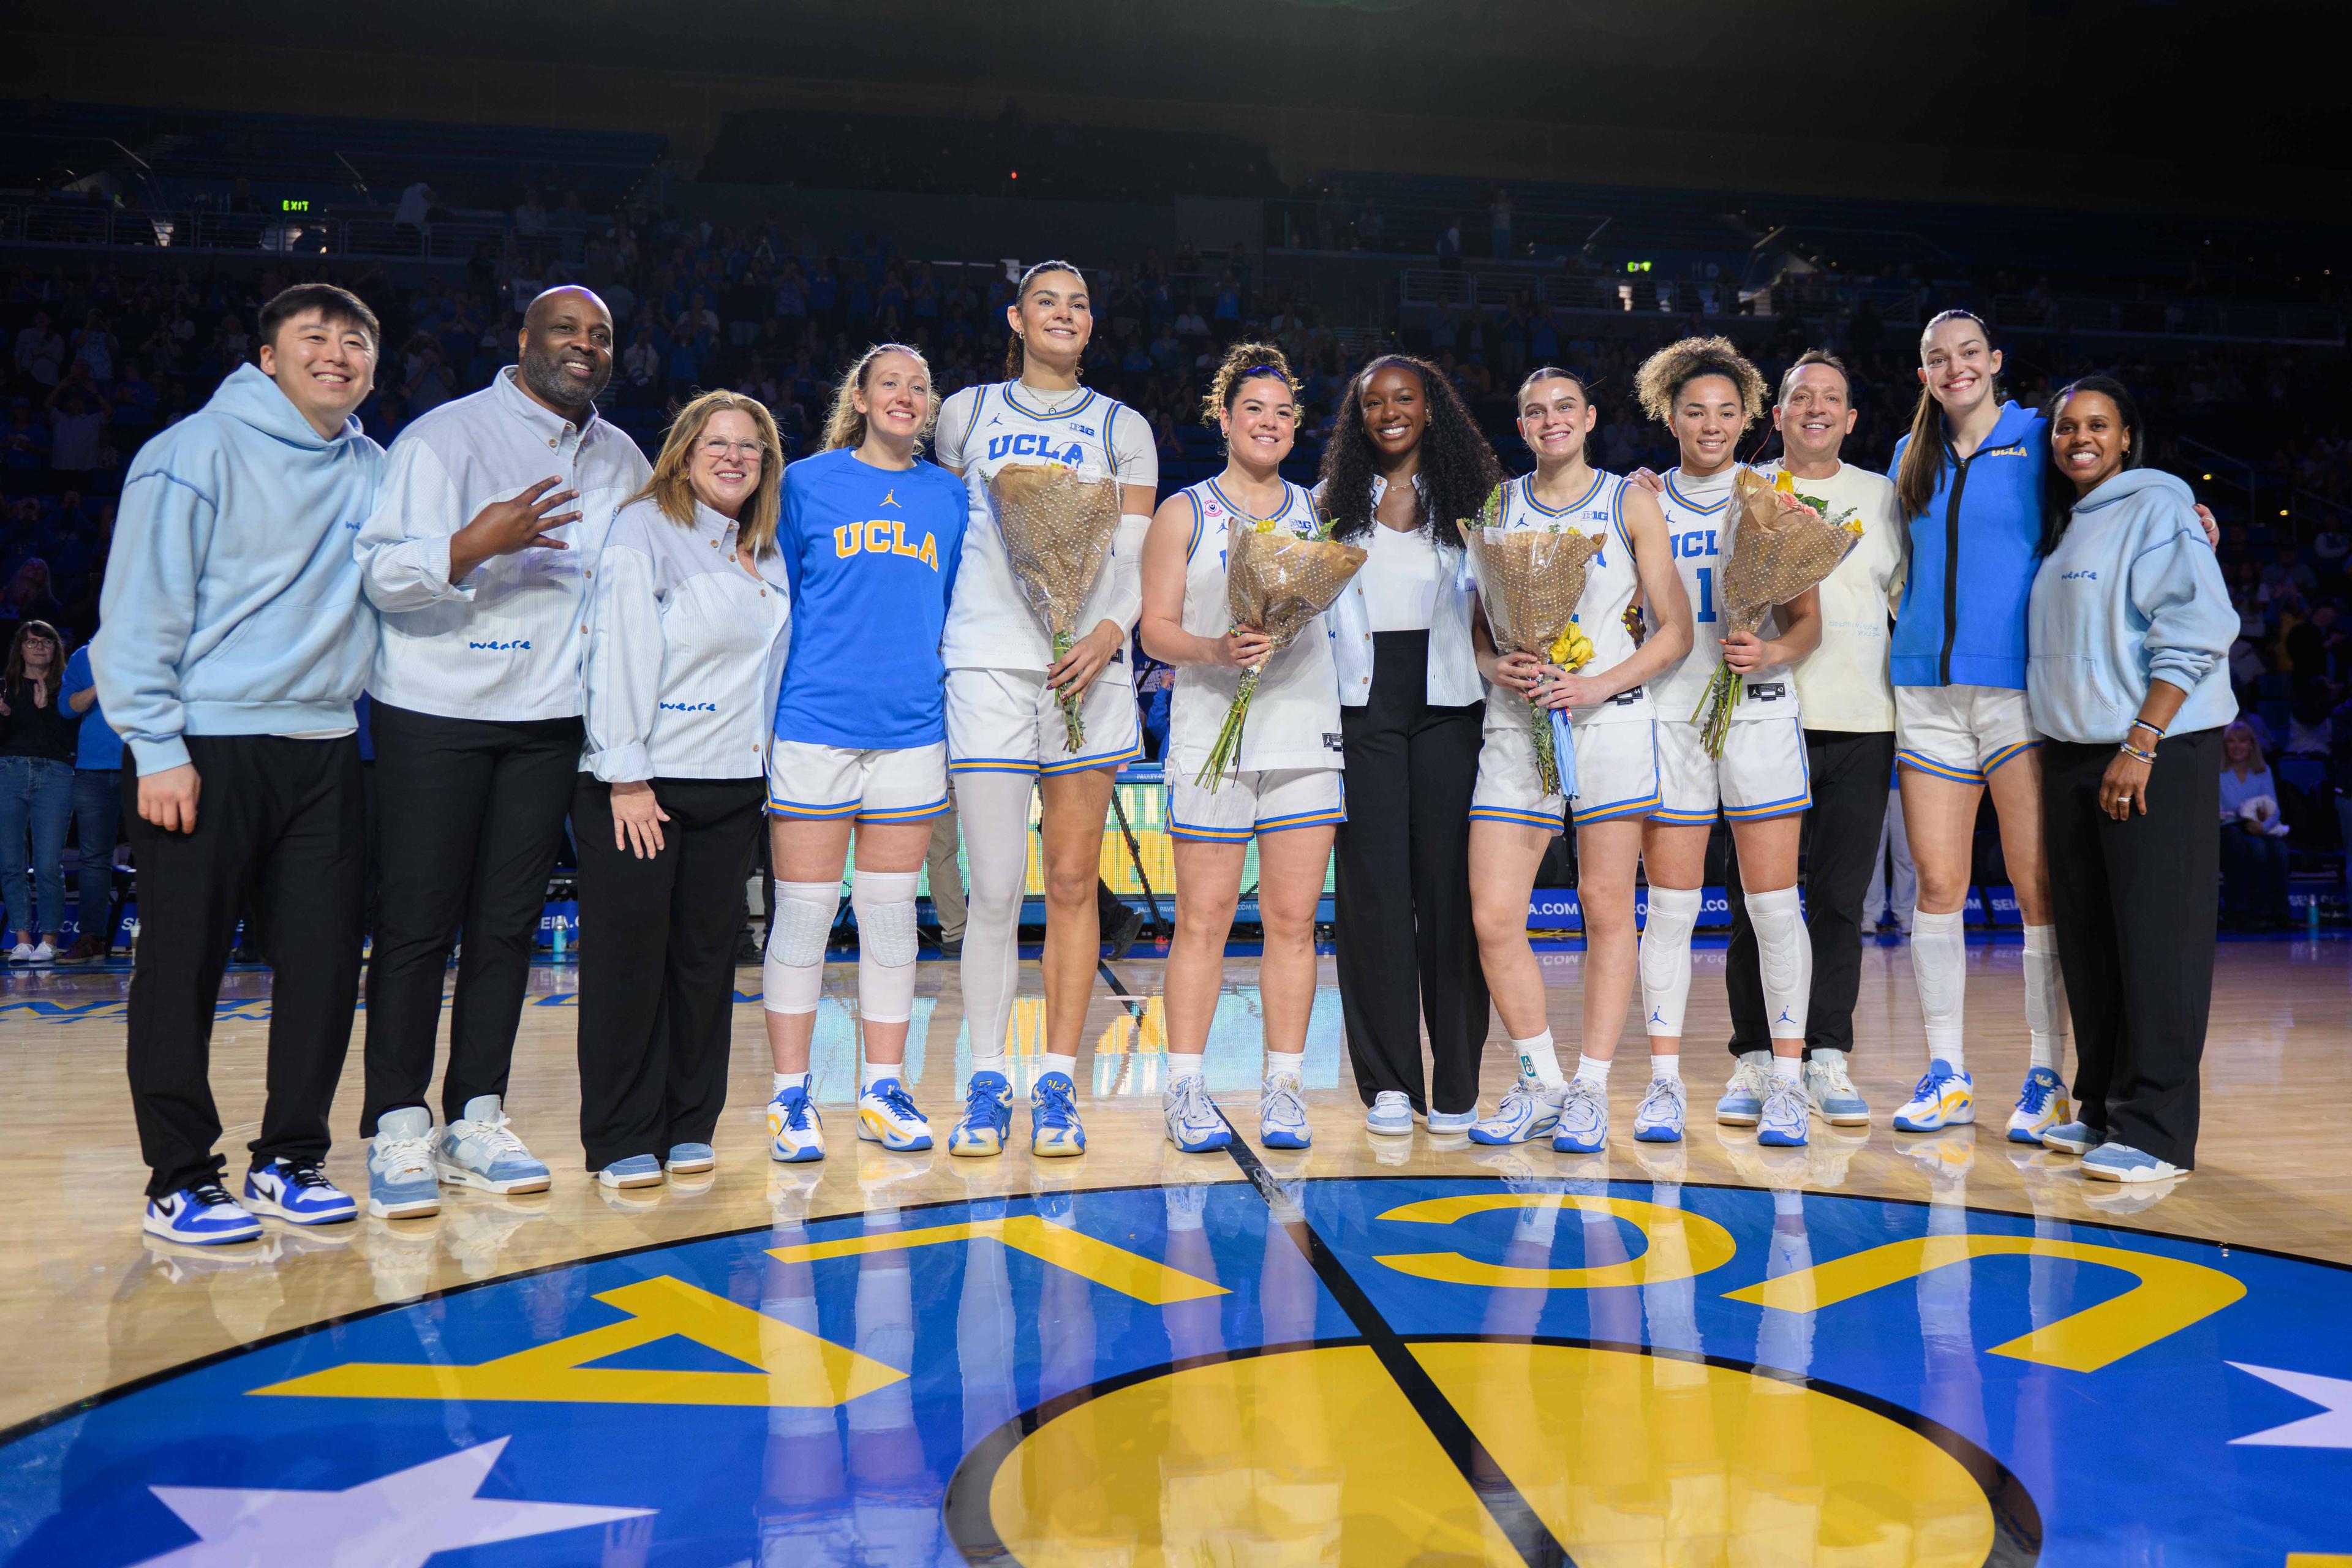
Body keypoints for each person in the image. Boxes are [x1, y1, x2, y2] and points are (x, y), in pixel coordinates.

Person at [92, 282, 385, 1244]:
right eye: (316, 338)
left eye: (356, 342)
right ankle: (179, 1178)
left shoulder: (376, 468)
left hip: (328, 746)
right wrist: (158, 747)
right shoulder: (190, 452)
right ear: (269, 356)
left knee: (322, 968)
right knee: (182, 971)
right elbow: (136, 613)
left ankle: (291, 1160)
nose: (338, 354)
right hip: (205, 747)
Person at [353, 285, 650, 1219]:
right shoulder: (444, 438)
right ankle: (399, 1126)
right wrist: (469, 545)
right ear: (522, 340)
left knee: (506, 930)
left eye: (600, 336)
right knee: (415, 926)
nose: (584, 347)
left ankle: (474, 1116)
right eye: (565, 329)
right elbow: (379, 574)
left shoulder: (622, 456)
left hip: (549, 720)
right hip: (435, 710)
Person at [930, 262, 1156, 1160]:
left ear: (1091, 326)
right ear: (1016, 320)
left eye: (1079, 306)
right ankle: (989, 1077)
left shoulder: (1122, 426)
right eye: (1047, 304)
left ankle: (1057, 1079)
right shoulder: (966, 413)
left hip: (1087, 668)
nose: (1064, 316)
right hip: (987, 661)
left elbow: (1135, 557)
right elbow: (947, 535)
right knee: (991, 889)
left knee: (1070, 884)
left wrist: (1107, 635)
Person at [1461, 368, 1692, 1152]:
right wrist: (1501, 669)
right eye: (1535, 411)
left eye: (1565, 407)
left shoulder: (1629, 501)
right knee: (1494, 914)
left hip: (1609, 721)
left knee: (1604, 907)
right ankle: (1541, 1083)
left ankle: (1592, 1088)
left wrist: (1594, 685)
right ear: (1522, 427)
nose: (1551, 420)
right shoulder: (1497, 506)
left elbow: (1674, 631)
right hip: (1518, 723)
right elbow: (1480, 636)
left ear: (1590, 418)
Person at [576, 391, 791, 1189]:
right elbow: (618, 653)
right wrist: (626, 774)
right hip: (646, 786)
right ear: (684, 453)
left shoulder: (766, 547)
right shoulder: (645, 530)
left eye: (751, 447)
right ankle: (622, 1136)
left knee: (706, 963)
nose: (734, 457)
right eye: (718, 443)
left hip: (734, 785)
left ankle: (689, 1122)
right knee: (630, 965)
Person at [2026, 375, 2236, 1183]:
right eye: (2066, 427)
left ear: (2125, 438)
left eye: (2098, 425)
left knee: (2158, 945)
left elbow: (2197, 624)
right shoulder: (2067, 525)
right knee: (2096, 946)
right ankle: (2107, 1109)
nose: (2079, 437)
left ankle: (2157, 1132)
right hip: (2076, 753)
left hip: (2154, 749)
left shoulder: (2158, 507)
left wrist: (2143, 739)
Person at [762, 345, 965, 1161]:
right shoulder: (806, 484)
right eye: (891, 383)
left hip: (911, 731)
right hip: (813, 723)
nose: (906, 396)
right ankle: (788, 1096)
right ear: (861, 396)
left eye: (920, 386)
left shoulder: (951, 496)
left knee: (889, 920)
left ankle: (884, 1086)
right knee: (805, 916)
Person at [1138, 342, 1341, 1155]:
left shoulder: (1321, 512)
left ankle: (1284, 1085)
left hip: (1303, 735)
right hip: (1211, 736)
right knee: (1206, 919)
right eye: (1253, 409)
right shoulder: (1184, 512)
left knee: (1295, 922)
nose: (1268, 423)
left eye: (1283, 413)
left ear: (1297, 429)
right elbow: (1154, 630)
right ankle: (1185, 1085)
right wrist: (1220, 651)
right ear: (1224, 419)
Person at [1883, 309, 2071, 1142]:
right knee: (1936, 887)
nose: (1955, 367)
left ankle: (2047, 1074)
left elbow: (2107, 502)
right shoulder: (1907, 455)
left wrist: (2192, 522)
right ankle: (1948, 1071)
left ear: (1995, 359)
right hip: (1926, 697)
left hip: (2015, 695)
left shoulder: (2039, 438)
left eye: (1968, 353)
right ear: (1923, 373)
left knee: (2036, 889)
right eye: (1937, 358)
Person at [1635, 337, 1823, 1150]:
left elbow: (1805, 625)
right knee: (1671, 910)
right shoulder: (1639, 502)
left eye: (1724, 411)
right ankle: (1665, 1084)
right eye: (1693, 410)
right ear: (1668, 416)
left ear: (1749, 417)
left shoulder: (1774, 501)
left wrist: (1769, 652)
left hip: (1759, 714)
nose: (1710, 424)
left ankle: (1788, 1083)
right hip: (1672, 716)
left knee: (1772, 905)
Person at [1719, 352, 1904, 1127]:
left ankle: (1826, 1053)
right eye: (1801, 397)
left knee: (1836, 899)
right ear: (1780, 415)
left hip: (1862, 721)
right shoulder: (1746, 490)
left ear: (1852, 418)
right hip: (1766, 713)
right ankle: (1756, 1057)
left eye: (1833, 397)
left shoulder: (1886, 497)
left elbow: (1917, 596)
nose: (1817, 408)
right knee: (1751, 899)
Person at [1317, 355, 1502, 1134]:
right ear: (1358, 418)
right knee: (1374, 898)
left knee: (1451, 892)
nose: (1389, 412)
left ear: (1433, 409)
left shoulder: (1474, 499)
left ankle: (1457, 1083)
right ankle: (1390, 1084)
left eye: (1404, 398)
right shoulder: (1330, 502)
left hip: (1450, 703)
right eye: (1373, 403)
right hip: (1364, 705)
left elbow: (1501, 604)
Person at [1, 620, 78, 962]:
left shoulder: (66, 687)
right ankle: (21, 939)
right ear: (21, 649)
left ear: (55, 648)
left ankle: (48, 939)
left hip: (55, 774)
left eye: (46, 641)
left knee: (47, 863)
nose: (40, 647)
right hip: (9, 772)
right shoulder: (8, 688)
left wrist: (48, 710)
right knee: (11, 862)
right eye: (32, 643)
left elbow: (69, 742)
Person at [59, 633, 124, 962]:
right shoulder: (83, 656)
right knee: (93, 858)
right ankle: (91, 938)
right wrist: (101, 684)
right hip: (93, 770)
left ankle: (166, 936)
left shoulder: (151, 647)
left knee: (161, 853)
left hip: (144, 766)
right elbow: (66, 708)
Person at [2216, 718, 2292, 929]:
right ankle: (2248, 912)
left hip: (2259, 827)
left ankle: (2279, 912)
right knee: (2254, 848)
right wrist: (2248, 817)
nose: (2237, 747)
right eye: (2231, 742)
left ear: (2251, 744)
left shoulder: (2262, 770)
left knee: (2279, 851)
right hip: (2229, 828)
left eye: (2242, 741)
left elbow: (2273, 809)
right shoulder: (2218, 772)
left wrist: (2263, 826)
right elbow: (2223, 809)